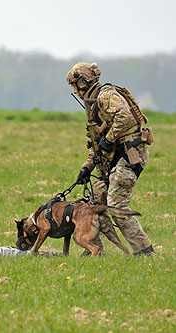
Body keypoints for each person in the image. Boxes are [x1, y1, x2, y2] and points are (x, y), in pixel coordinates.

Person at [66, 62, 155, 256]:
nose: (74, 90)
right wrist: (86, 168)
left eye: (75, 85)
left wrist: (109, 138)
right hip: (113, 159)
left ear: (84, 80)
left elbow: (125, 117)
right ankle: (95, 251)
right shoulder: (92, 102)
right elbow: (97, 145)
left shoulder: (105, 95)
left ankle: (145, 252)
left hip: (129, 156)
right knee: (95, 203)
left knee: (116, 206)